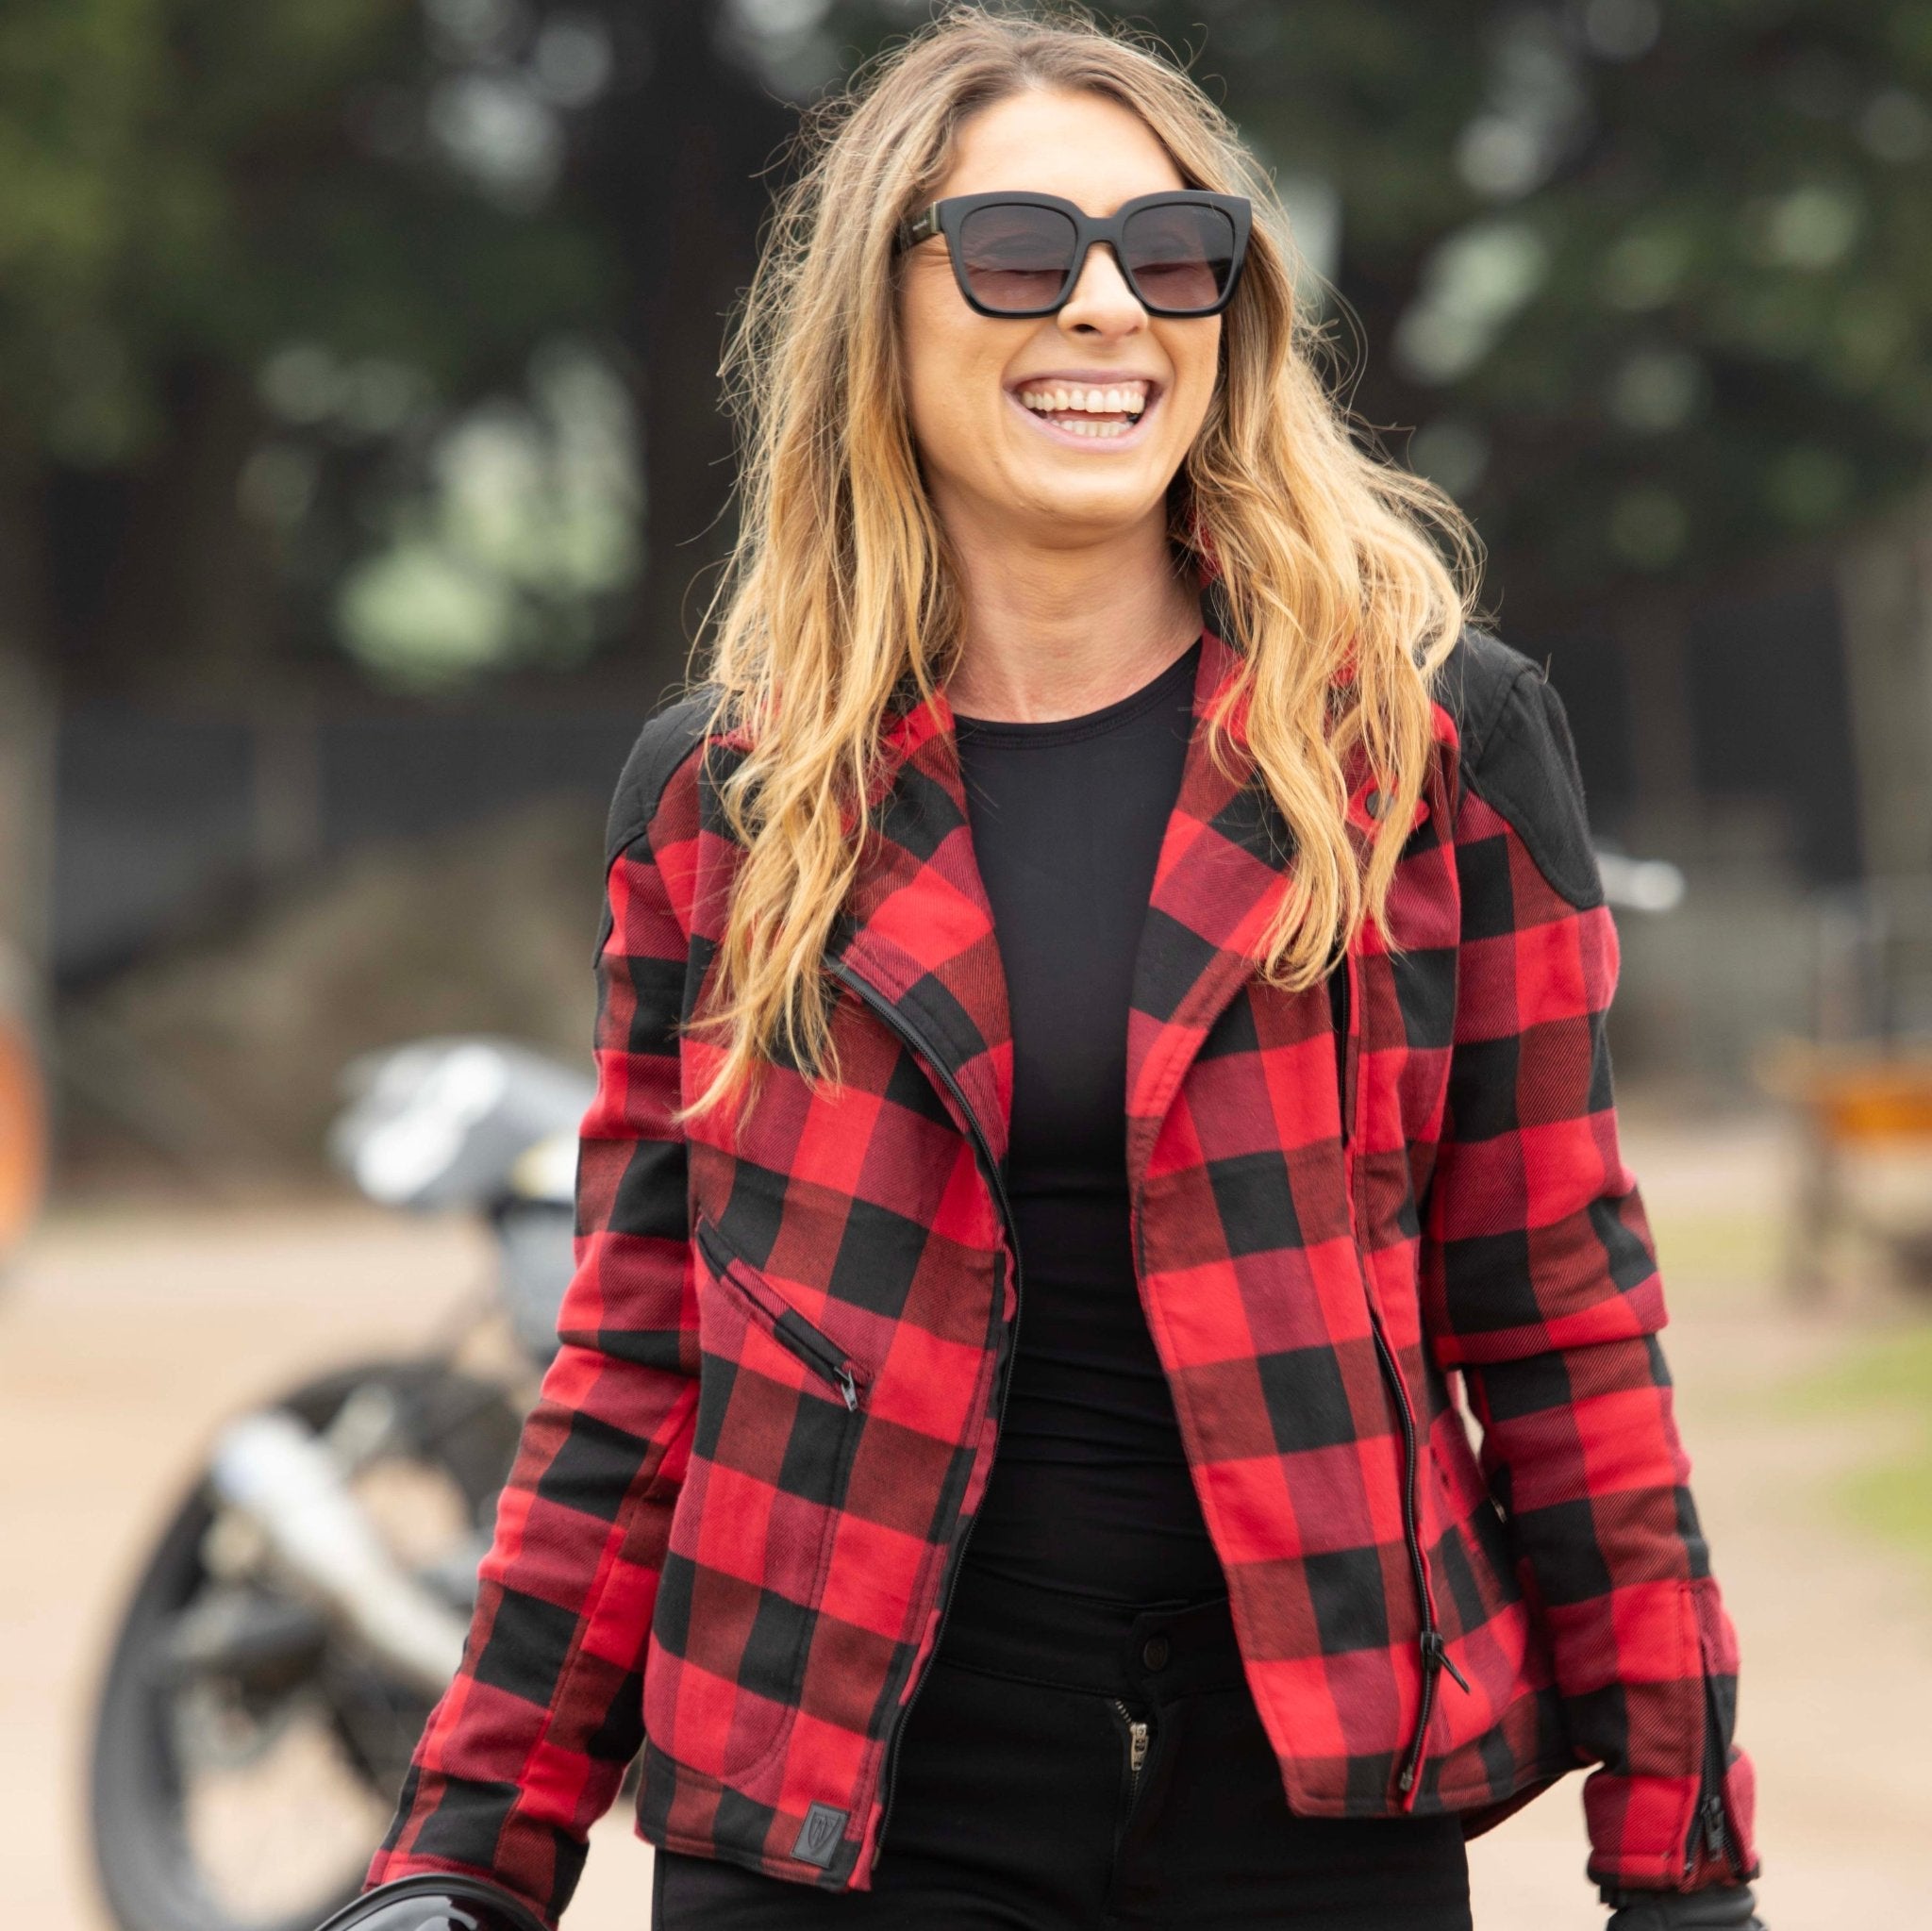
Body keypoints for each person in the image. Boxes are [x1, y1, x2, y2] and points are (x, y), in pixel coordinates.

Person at [346, 8, 1767, 1928]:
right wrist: (464, 1859)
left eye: (1170, 251)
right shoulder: (727, 797)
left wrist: (1680, 1866)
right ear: (889, 314)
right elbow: (638, 1362)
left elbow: (1563, 1321)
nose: (1107, 308)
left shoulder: (1427, 749)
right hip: (832, 1815)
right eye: (1021, 252)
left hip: (1310, 1815)